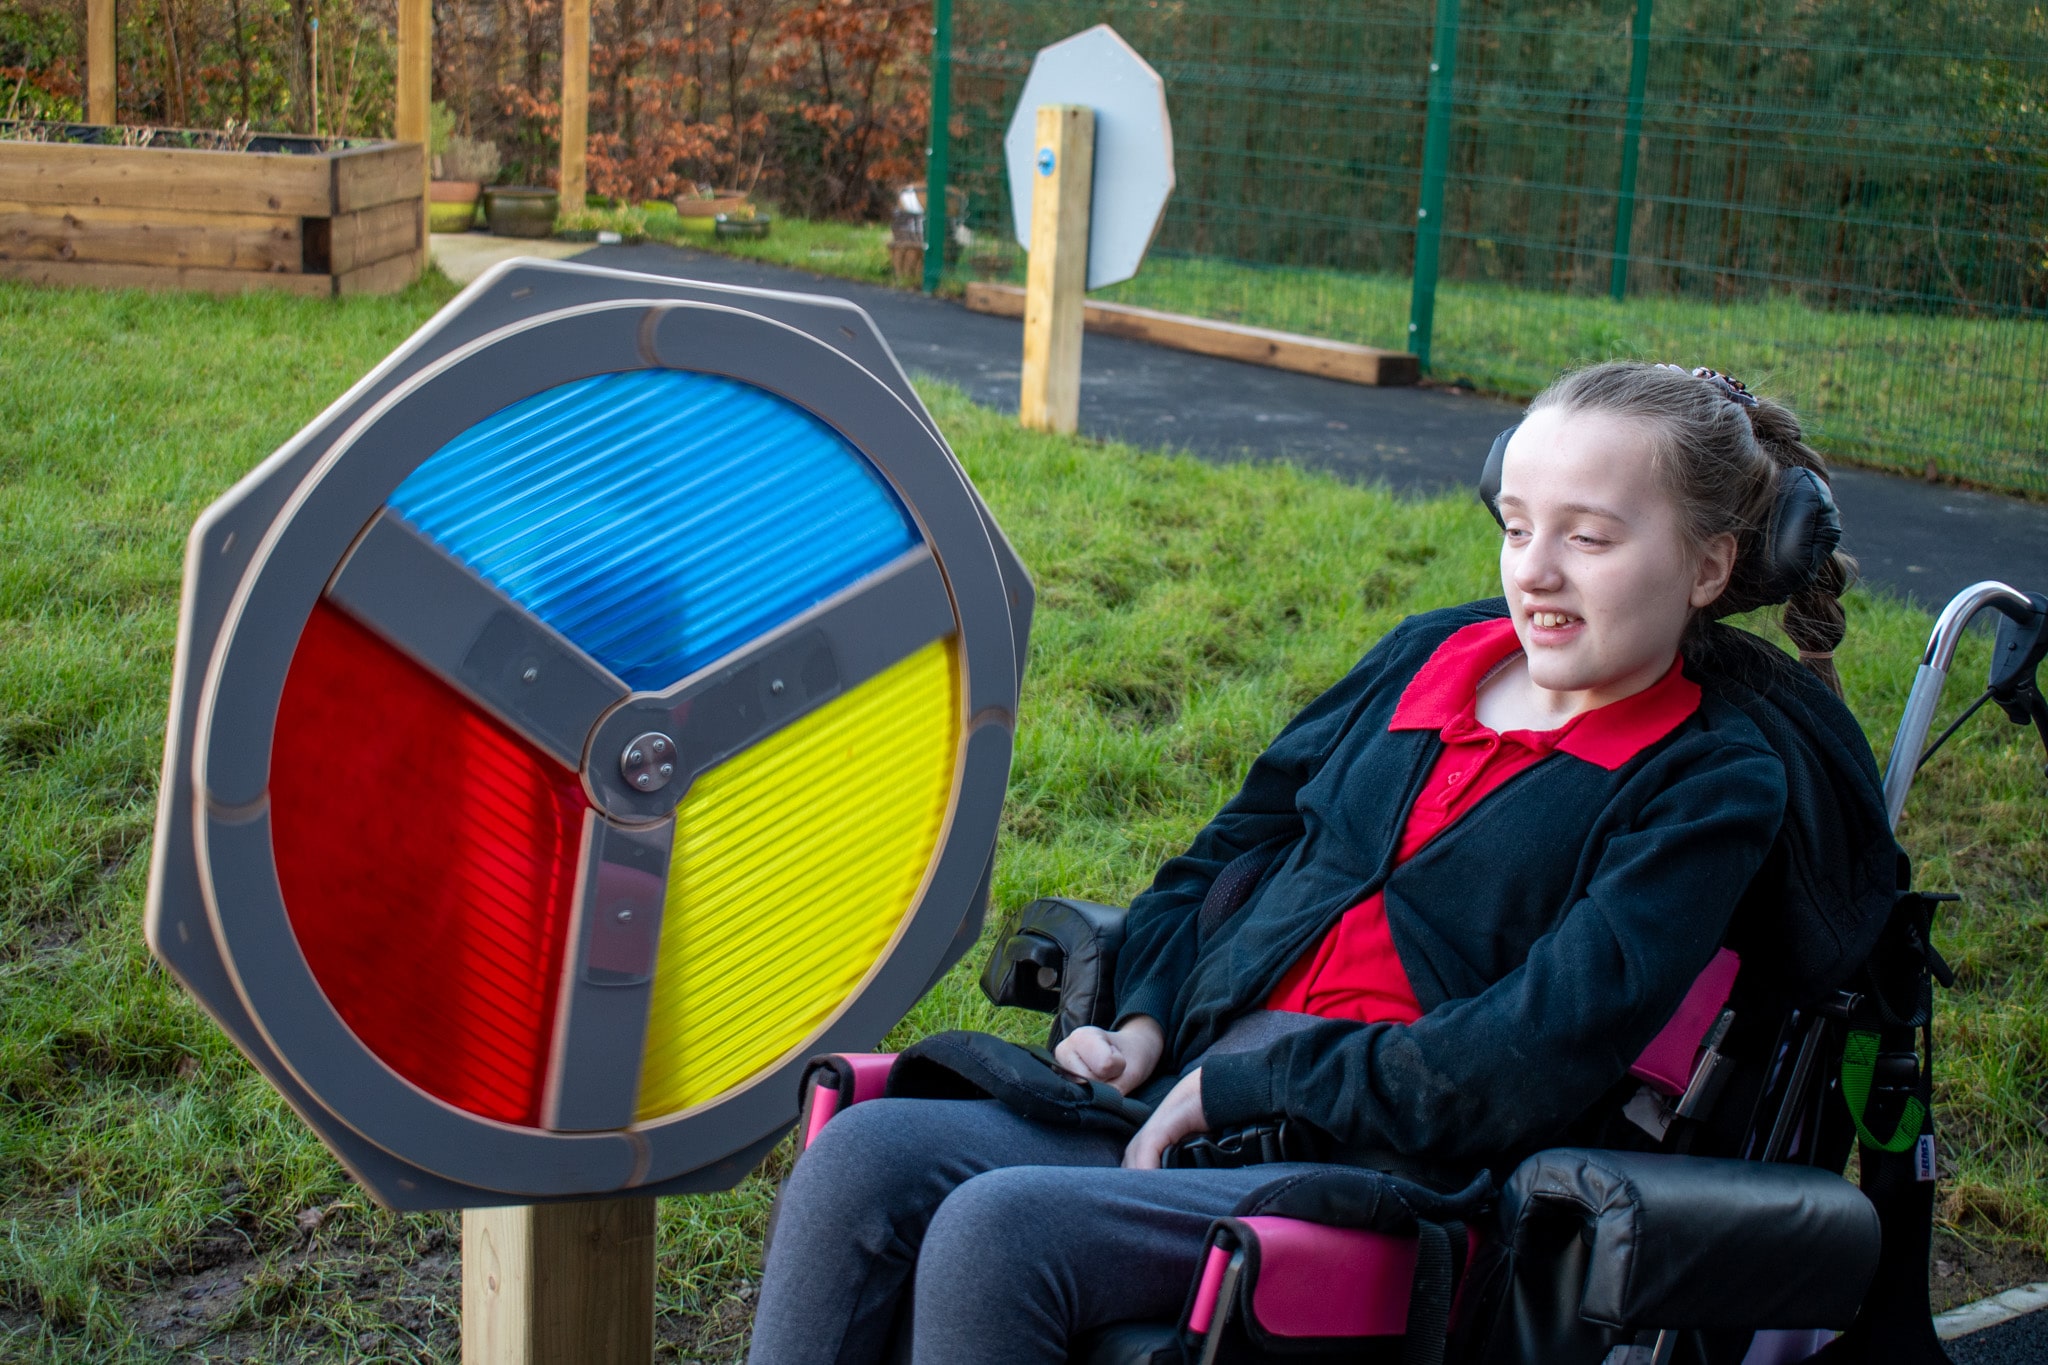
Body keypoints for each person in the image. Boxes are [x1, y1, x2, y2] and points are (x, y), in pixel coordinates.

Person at [746, 361, 1868, 1365]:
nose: (1535, 572)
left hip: (1400, 1168)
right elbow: (1230, 851)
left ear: (1709, 564)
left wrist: (1246, 1084)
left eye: (1589, 537)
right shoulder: (1426, 657)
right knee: (865, 1156)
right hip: (1197, 1085)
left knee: (1002, 1234)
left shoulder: (1710, 780)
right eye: (1516, 526)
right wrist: (1142, 1013)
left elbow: (1528, 1054)